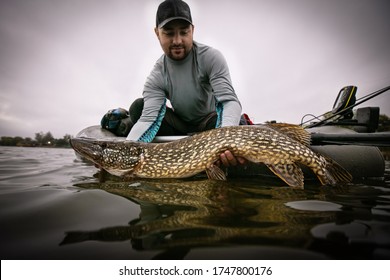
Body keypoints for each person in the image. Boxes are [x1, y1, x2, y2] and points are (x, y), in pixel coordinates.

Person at [126, 0, 245, 166]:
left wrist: (223, 140)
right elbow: (147, 120)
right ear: (157, 33)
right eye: (168, 33)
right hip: (181, 125)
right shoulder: (157, 75)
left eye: (183, 32)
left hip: (211, 124)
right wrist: (122, 153)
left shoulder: (211, 58)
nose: (177, 41)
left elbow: (229, 101)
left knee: (239, 123)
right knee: (138, 107)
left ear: (192, 30)